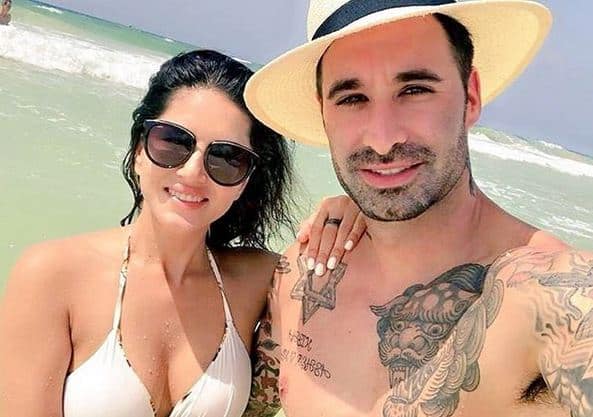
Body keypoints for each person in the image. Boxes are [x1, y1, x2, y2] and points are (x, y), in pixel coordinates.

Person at [242, 1, 593, 416]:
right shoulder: (303, 272)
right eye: (352, 98)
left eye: (414, 90)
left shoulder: (547, 293)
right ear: (323, 113)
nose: (382, 139)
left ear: (471, 96)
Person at [0, 49, 364, 417]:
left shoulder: (259, 281)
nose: (192, 172)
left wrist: (349, 212)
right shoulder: (54, 275)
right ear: (139, 151)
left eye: (226, 157)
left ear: (245, 181)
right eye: (174, 141)